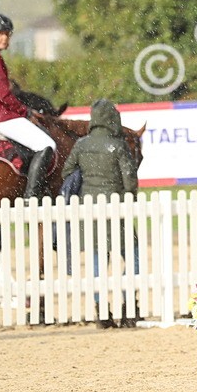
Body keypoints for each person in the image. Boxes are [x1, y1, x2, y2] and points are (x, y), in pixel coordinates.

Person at [62, 98, 140, 325]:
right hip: (117, 209)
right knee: (132, 258)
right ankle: (128, 305)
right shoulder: (118, 145)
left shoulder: (81, 144)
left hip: (90, 210)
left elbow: (67, 171)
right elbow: (130, 179)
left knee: (97, 260)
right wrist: (130, 197)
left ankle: (101, 309)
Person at [0, 13, 57, 198]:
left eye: (7, 34)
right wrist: (26, 112)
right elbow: (4, 96)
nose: (5, 38)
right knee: (47, 145)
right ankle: (32, 196)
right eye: (0, 33)